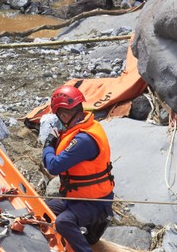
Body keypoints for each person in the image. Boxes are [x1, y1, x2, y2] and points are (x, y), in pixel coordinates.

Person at [41, 85, 114, 251]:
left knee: (63, 222)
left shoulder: (83, 140)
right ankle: (92, 227)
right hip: (78, 197)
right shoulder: (85, 126)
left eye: (59, 115)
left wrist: (48, 144)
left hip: (95, 202)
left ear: (65, 115)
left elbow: (53, 166)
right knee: (45, 210)